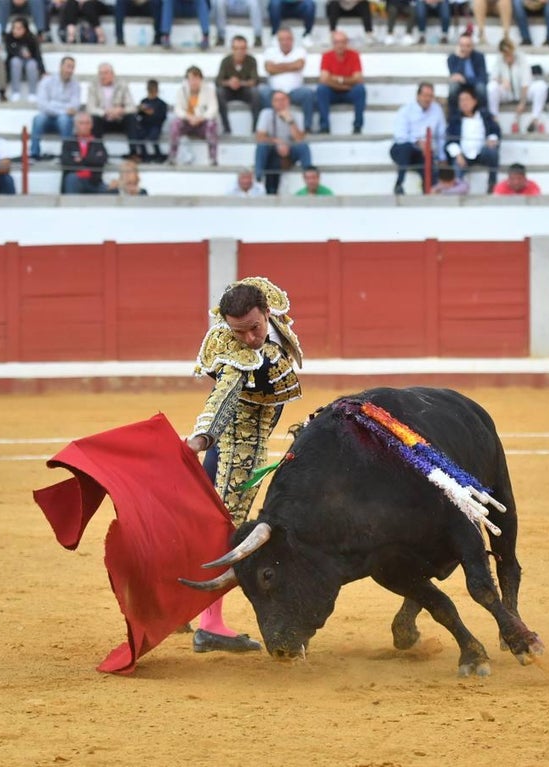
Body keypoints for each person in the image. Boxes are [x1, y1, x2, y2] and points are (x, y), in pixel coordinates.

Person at [185, 277, 303, 654]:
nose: (249, 339)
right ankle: (210, 626)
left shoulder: (264, 301)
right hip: (239, 445)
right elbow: (222, 398)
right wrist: (201, 438)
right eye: (239, 332)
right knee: (228, 529)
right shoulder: (235, 356)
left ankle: (175, 603)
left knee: (203, 521)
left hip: (254, 434)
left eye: (254, 328)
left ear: (266, 312)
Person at [390, 82, 445, 195]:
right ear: (418, 96)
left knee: (428, 162)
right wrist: (417, 142)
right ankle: (399, 184)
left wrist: (441, 156)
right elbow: (400, 136)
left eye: (430, 96)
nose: (427, 99)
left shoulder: (437, 110)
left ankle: (427, 191)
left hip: (424, 152)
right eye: (425, 95)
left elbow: (441, 135)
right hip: (404, 147)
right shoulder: (406, 110)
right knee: (405, 148)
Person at [254, 89, 311, 194]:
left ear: (288, 101)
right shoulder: (266, 114)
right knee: (262, 146)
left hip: (291, 149)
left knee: (303, 146)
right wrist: (277, 142)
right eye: (277, 100)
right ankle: (258, 178)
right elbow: (260, 137)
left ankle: (309, 174)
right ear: (272, 103)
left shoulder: (297, 115)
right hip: (273, 149)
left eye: (283, 99)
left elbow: (299, 139)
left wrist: (291, 122)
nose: (280, 103)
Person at [444, 85, 500, 194]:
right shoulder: (455, 120)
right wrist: (458, 154)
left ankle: (492, 184)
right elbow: (450, 140)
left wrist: (491, 139)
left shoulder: (484, 116)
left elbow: (495, 130)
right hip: (463, 155)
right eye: (461, 100)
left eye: (466, 99)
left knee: (493, 152)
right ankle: (458, 191)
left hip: (481, 153)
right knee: (456, 166)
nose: (464, 103)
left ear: (474, 101)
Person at [487, 38, 547, 134]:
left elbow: (525, 81)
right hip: (507, 93)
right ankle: (494, 118)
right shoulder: (499, 59)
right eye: (505, 54)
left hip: (523, 92)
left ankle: (535, 118)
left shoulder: (521, 58)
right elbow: (493, 77)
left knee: (541, 86)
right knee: (492, 87)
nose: (508, 56)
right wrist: (502, 80)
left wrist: (522, 102)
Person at [260, 28, 314, 135]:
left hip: (295, 92)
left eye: (288, 39)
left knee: (308, 93)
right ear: (278, 41)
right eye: (282, 39)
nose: (285, 42)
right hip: (275, 91)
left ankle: (307, 127)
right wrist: (291, 66)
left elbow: (299, 65)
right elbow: (269, 69)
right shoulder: (270, 51)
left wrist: (277, 67)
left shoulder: (300, 51)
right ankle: (267, 128)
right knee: (263, 92)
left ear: (293, 40)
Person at [315, 31, 366, 135]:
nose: (340, 45)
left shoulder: (354, 55)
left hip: (349, 92)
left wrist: (337, 79)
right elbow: (323, 79)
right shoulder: (326, 56)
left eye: (342, 42)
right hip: (335, 92)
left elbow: (358, 79)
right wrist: (345, 85)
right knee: (321, 89)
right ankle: (324, 127)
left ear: (347, 43)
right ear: (332, 43)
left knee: (360, 89)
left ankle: (357, 127)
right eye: (337, 42)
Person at [31, 56, 82, 160]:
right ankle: (34, 154)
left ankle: (66, 154)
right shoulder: (46, 81)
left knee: (64, 120)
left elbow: (75, 105)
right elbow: (42, 105)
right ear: (60, 66)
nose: (70, 70)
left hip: (64, 120)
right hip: (47, 117)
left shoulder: (76, 85)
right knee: (38, 119)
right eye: (68, 66)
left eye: (72, 67)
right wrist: (63, 110)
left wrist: (54, 106)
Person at [168, 66, 220, 166]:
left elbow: (213, 108)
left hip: (202, 123)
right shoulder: (182, 91)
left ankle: (213, 158)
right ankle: (172, 157)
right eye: (191, 79)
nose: (194, 82)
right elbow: (178, 109)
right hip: (187, 122)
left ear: (201, 79)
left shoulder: (209, 91)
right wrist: (188, 117)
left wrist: (201, 118)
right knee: (175, 124)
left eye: (196, 79)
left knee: (212, 125)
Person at [88, 63, 141, 157]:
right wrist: (105, 112)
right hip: (103, 119)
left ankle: (133, 153)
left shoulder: (122, 85)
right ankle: (99, 152)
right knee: (94, 119)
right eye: (100, 73)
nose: (102, 76)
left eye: (105, 73)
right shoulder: (93, 86)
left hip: (119, 120)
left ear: (112, 74)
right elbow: (90, 108)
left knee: (132, 118)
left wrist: (121, 110)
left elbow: (132, 107)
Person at [215, 35, 261, 136]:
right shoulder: (226, 61)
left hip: (245, 91)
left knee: (256, 93)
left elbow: (255, 80)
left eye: (242, 48)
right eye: (236, 48)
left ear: (246, 49)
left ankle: (255, 129)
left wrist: (239, 83)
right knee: (219, 92)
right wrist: (229, 82)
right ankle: (226, 128)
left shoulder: (251, 60)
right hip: (229, 91)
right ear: (232, 49)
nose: (239, 51)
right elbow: (218, 81)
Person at [60, 111, 109, 193]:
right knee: (72, 178)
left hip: (94, 182)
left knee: (113, 190)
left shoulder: (97, 142)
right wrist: (91, 160)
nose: (85, 126)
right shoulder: (69, 142)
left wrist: (82, 159)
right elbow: (66, 162)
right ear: (76, 125)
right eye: (81, 123)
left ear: (92, 125)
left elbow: (102, 159)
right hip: (75, 180)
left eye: (87, 123)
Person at [5, 16, 45, 103]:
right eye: (14, 28)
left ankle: (32, 93)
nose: (15, 31)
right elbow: (10, 52)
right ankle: (15, 92)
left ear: (25, 29)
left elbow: (37, 55)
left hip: (30, 61)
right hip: (15, 62)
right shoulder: (9, 38)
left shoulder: (32, 39)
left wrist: (42, 71)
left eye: (19, 28)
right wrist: (20, 53)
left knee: (32, 65)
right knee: (15, 62)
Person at [446, 35, 487, 119]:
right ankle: (453, 117)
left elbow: (482, 78)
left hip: (475, 84)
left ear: (472, 46)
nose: (465, 49)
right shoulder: (452, 58)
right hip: (461, 86)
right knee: (453, 87)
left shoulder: (479, 57)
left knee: (481, 88)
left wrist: (465, 79)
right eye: (462, 46)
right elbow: (455, 76)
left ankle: (485, 116)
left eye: (468, 46)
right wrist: (461, 59)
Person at [136, 79, 168, 163]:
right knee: (139, 135)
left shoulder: (161, 104)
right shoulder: (144, 101)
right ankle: (145, 156)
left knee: (154, 136)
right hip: (144, 125)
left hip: (155, 126)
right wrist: (141, 110)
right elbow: (139, 115)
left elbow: (162, 117)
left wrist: (151, 114)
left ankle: (158, 155)